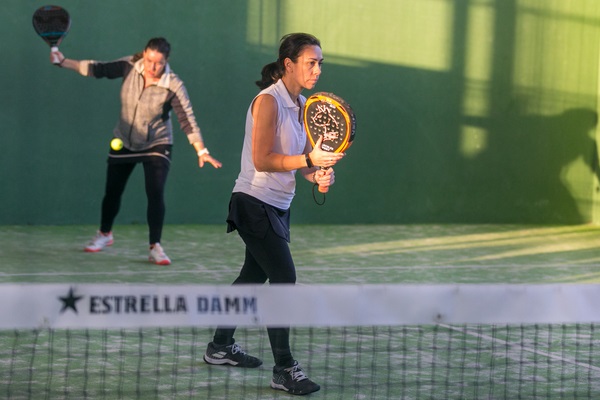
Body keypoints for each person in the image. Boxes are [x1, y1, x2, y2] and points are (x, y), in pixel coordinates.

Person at [203, 33, 344, 395]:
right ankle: (284, 368)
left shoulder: (304, 106)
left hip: (279, 206)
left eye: (320, 63)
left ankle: (220, 346)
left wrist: (319, 173)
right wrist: (309, 160)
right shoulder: (268, 102)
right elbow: (263, 159)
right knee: (284, 278)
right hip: (252, 202)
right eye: (311, 62)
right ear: (289, 64)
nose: (317, 69)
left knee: (252, 276)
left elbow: (300, 164)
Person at [50, 38, 222, 265]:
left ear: (166, 61)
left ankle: (155, 247)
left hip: (157, 143)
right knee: (112, 192)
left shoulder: (174, 85)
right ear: (144, 55)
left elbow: (187, 119)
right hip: (124, 140)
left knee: (155, 191)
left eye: (158, 63)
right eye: (149, 60)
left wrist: (201, 150)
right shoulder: (129, 65)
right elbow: (98, 68)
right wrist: (64, 62)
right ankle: (105, 234)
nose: (152, 67)